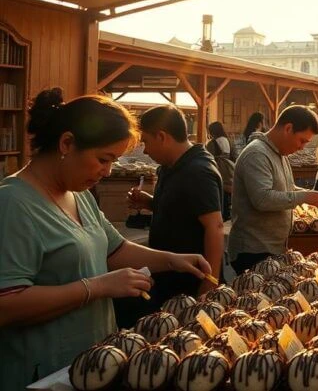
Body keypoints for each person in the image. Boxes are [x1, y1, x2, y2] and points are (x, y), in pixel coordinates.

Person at [0, 89, 211, 391]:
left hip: (92, 361)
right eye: (103, 159)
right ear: (67, 143)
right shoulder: (13, 203)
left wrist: (170, 259)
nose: (107, 171)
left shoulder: (78, 194)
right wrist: (98, 287)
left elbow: (115, 248)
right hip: (44, 372)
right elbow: (6, 304)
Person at [127, 106, 224, 315]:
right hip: (169, 275)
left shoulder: (198, 171)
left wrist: (210, 281)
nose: (145, 150)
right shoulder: (168, 167)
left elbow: (214, 226)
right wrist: (150, 202)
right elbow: (183, 210)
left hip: (190, 281)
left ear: (162, 136)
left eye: (146, 141)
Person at [228, 106, 318, 274]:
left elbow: (287, 188)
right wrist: (303, 197)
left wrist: (311, 196)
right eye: (302, 140)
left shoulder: (279, 154)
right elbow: (263, 199)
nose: (302, 147)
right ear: (288, 129)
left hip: (270, 248)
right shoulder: (257, 154)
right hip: (254, 250)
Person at [205, 121, 237, 221]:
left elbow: (207, 159)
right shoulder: (230, 141)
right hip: (230, 175)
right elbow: (235, 157)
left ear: (212, 132)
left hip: (216, 176)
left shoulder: (211, 143)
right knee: (228, 201)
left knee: (218, 201)